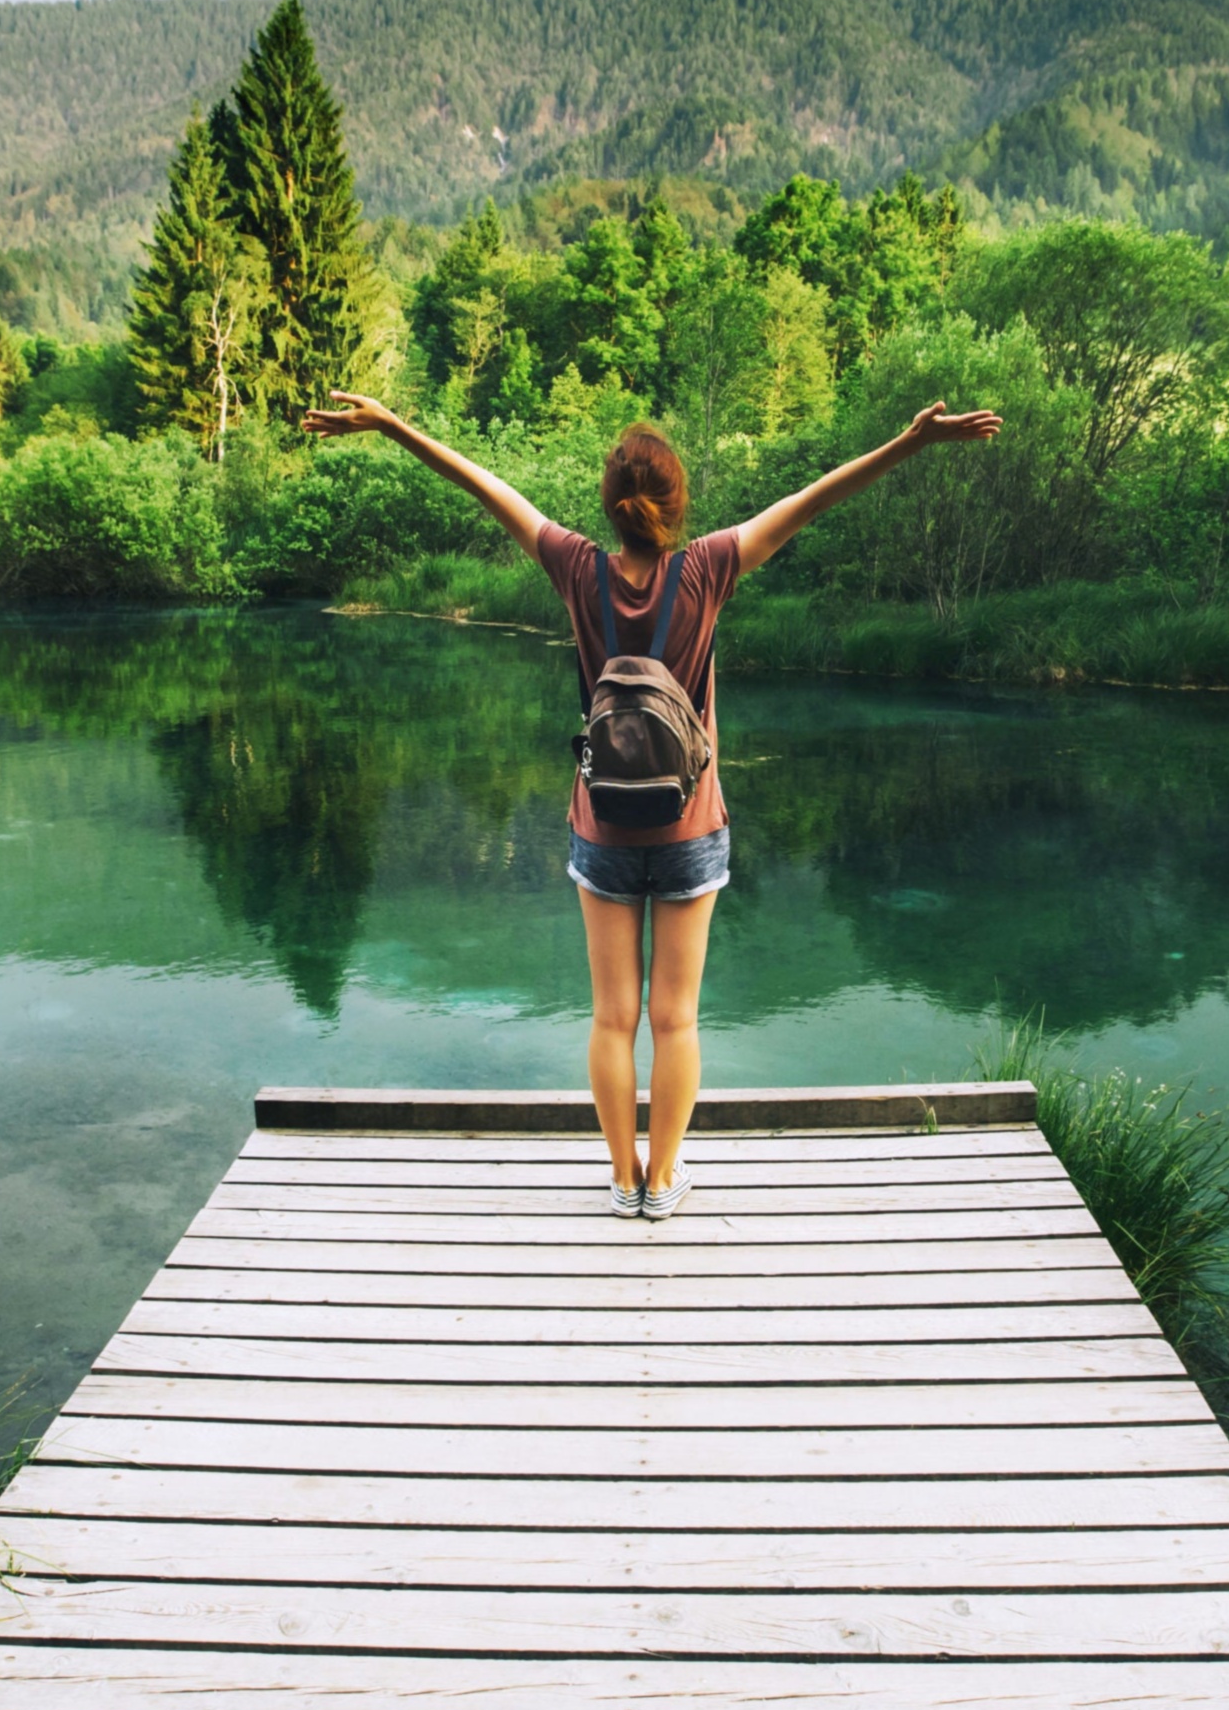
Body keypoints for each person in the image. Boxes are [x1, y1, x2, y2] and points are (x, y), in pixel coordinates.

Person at [302, 389, 1002, 1218]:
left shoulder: (576, 567)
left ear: (611, 505)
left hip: (600, 822)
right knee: (675, 1019)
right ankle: (663, 1183)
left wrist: (393, 426)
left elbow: (484, 487)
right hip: (690, 825)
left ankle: (622, 1174)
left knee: (611, 1019)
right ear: (677, 508)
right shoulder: (707, 569)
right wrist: (909, 441)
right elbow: (817, 497)